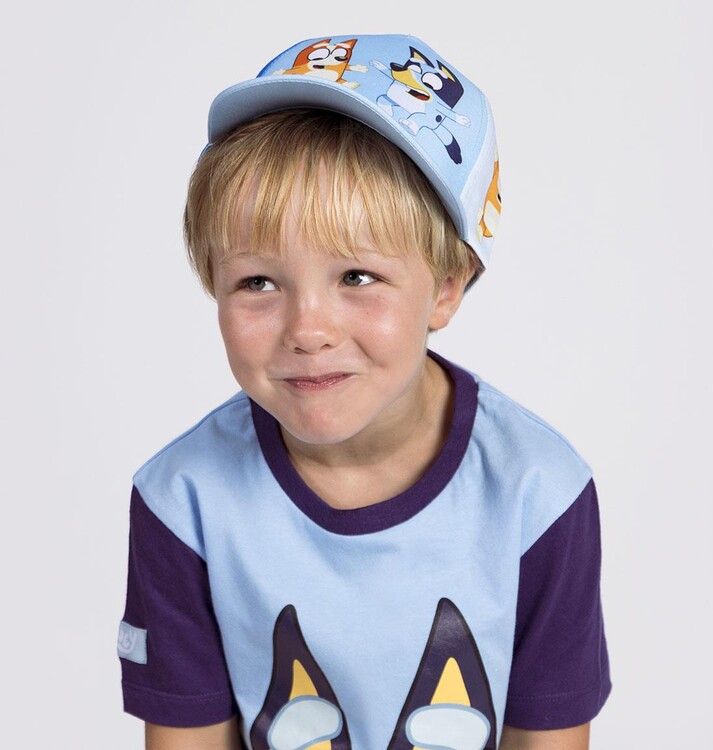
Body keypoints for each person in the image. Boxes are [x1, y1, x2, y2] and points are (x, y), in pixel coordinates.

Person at [118, 34, 611, 750]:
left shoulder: (540, 494)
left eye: (356, 276)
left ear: (447, 286)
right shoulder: (183, 500)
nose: (307, 329)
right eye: (258, 281)